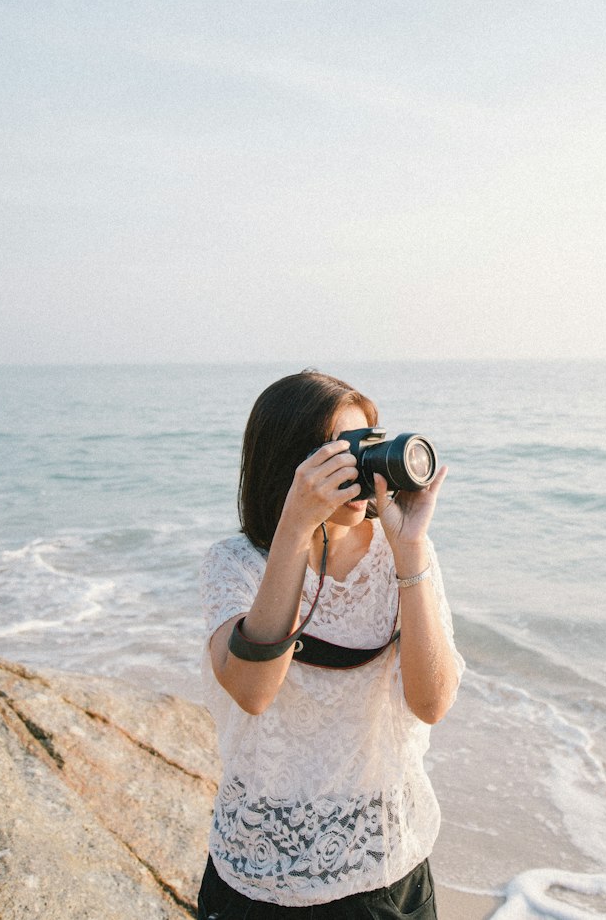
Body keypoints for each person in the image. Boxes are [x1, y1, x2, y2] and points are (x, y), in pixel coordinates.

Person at [197, 370, 463, 920]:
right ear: (290, 466)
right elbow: (252, 690)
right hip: (261, 869)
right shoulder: (235, 563)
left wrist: (410, 550)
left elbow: (432, 703)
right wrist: (296, 527)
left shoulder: (402, 555)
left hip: (385, 859)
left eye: (368, 445)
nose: (362, 471)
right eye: (342, 453)